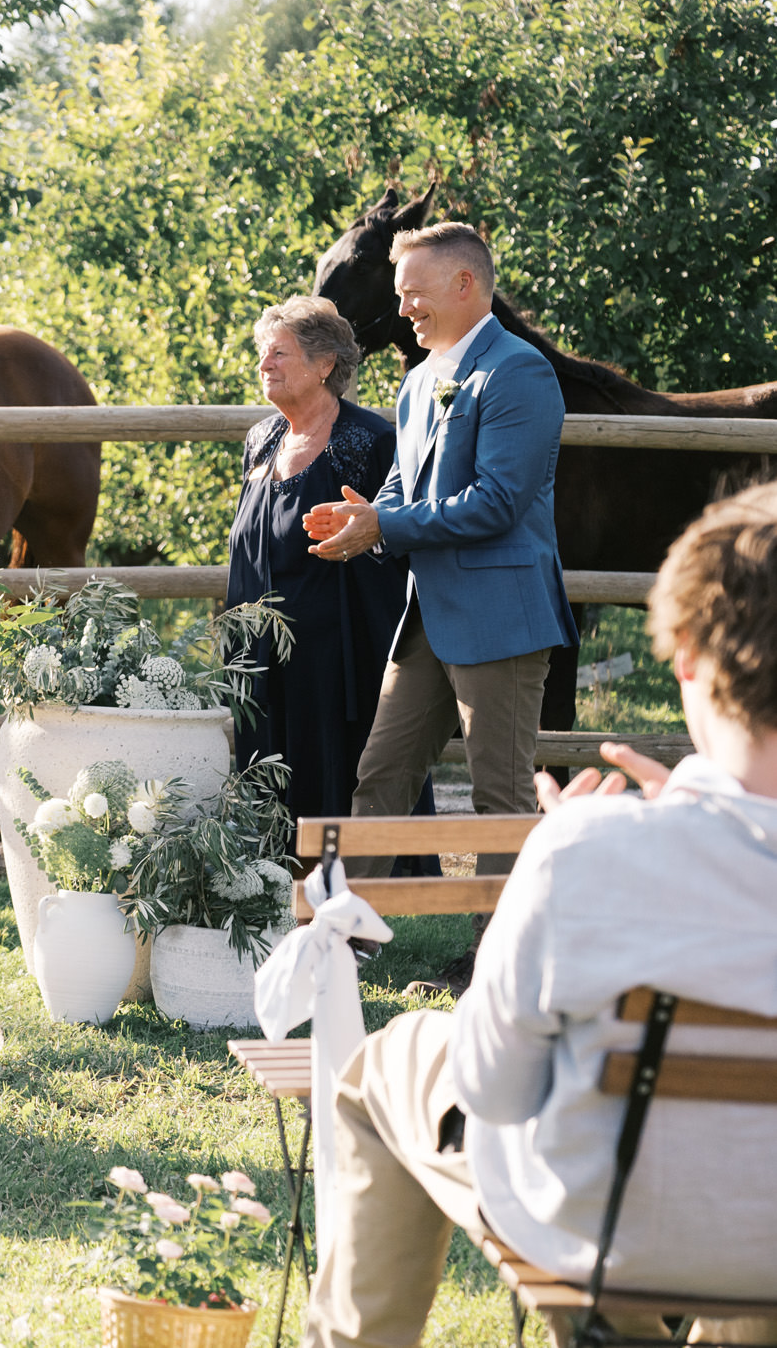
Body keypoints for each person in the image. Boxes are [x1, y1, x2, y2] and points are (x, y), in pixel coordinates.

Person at [301, 484, 777, 1348]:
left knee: (385, 1068)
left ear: (689, 661)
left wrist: (573, 856)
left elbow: (493, 1088)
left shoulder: (592, 851)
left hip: (602, 1235)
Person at [304, 222, 577, 877]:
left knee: (501, 797)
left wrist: (385, 527)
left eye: (414, 293)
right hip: (426, 617)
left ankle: (497, 961)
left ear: (465, 283)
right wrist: (366, 516)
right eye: (400, 296)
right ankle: (343, 936)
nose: (402, 310)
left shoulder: (520, 371)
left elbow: (497, 502)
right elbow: (402, 488)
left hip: (502, 618)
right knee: (382, 775)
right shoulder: (421, 380)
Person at [227, 297, 409, 821]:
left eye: (279, 353)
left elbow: (393, 542)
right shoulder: (261, 439)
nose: (265, 365)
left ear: (325, 363)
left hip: (339, 656)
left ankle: (352, 877)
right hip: (259, 653)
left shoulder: (368, 440)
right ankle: (268, 879)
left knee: (338, 775)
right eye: (263, 353)